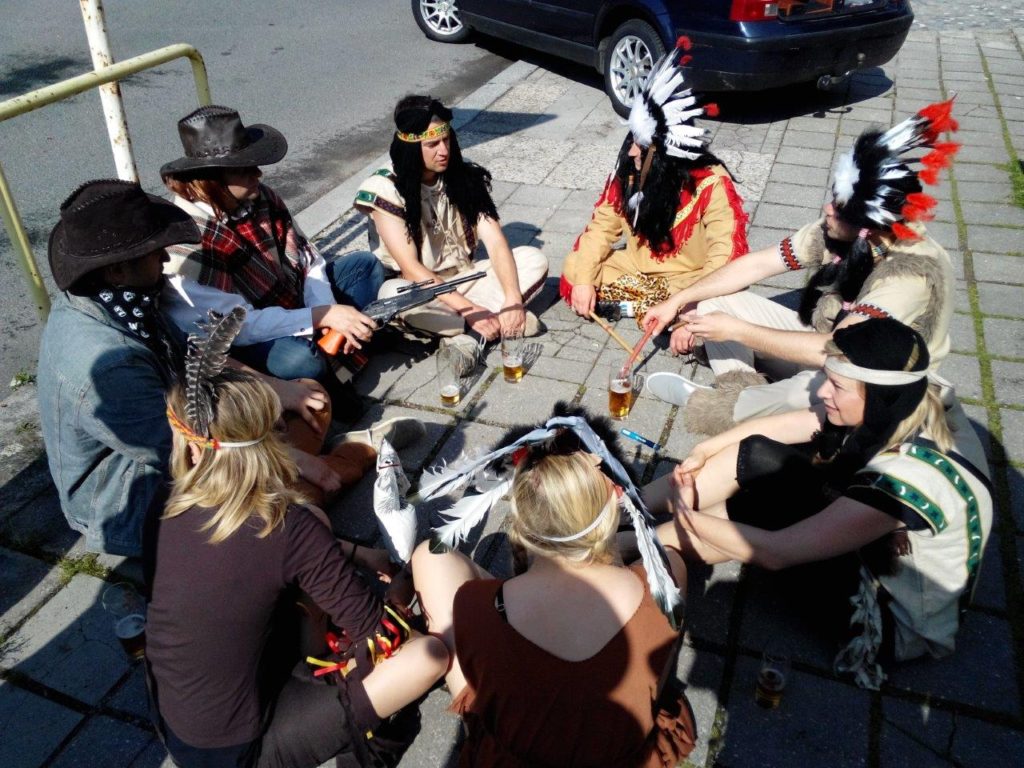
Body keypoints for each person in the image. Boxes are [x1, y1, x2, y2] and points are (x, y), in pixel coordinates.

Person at [36, 179, 417, 557]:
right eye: (154, 253)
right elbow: (183, 452)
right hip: (139, 493)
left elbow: (193, 355)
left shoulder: (126, 301)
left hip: (195, 433)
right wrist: (288, 458)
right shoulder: (108, 363)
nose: (165, 260)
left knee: (309, 397)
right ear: (118, 270)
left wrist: (274, 388)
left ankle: (315, 468)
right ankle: (350, 458)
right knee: (287, 512)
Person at [646, 319, 993, 689]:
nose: (823, 391)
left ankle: (635, 550)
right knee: (760, 457)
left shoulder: (902, 478)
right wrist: (706, 448)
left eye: (837, 386)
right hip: (874, 542)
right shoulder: (907, 395)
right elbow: (784, 426)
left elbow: (777, 552)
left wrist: (687, 514)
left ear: (877, 395)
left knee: (765, 509)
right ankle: (628, 511)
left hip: (887, 620)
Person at [147, 356, 448, 767]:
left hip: (176, 715)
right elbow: (382, 635)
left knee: (313, 544)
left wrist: (356, 553)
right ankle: (368, 751)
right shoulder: (288, 527)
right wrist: (398, 598)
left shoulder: (166, 501)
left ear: (194, 451)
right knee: (426, 657)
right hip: (238, 751)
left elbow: (252, 556)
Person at [642, 100, 961, 434]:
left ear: (868, 225)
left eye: (838, 207)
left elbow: (840, 351)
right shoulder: (845, 232)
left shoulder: (910, 273)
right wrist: (678, 301)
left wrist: (736, 331)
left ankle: (730, 409)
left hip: (880, 380)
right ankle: (742, 394)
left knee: (811, 388)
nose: (827, 209)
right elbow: (758, 264)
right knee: (713, 303)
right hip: (831, 343)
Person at [412, 414, 696, 767]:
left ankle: (482, 727)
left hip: (510, 755)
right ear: (616, 502)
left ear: (519, 517)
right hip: (619, 750)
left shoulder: (475, 606)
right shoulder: (668, 575)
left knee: (428, 556)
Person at [160, 105, 385, 401]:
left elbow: (308, 260)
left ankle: (336, 348)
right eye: (244, 169)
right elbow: (239, 328)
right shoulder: (187, 242)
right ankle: (330, 367)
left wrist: (326, 310)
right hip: (241, 338)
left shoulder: (261, 196)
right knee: (300, 361)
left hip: (289, 299)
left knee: (365, 266)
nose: (258, 173)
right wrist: (322, 317)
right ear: (212, 178)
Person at [562, 38, 748, 326]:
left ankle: (655, 309)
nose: (631, 152)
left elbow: (725, 252)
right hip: (637, 271)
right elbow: (601, 228)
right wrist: (585, 281)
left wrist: (690, 299)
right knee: (577, 267)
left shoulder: (711, 182)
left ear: (665, 157)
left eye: (641, 147)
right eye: (632, 142)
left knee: (726, 289)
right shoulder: (628, 172)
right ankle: (652, 309)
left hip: (687, 279)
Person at [354, 95, 548, 365]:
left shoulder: (462, 174)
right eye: (432, 144)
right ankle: (487, 325)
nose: (443, 150)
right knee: (393, 295)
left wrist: (514, 299)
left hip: (467, 277)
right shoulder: (385, 187)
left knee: (533, 258)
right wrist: (470, 310)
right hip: (421, 290)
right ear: (411, 147)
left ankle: (472, 334)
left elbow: (495, 242)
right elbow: (411, 268)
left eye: (446, 140)